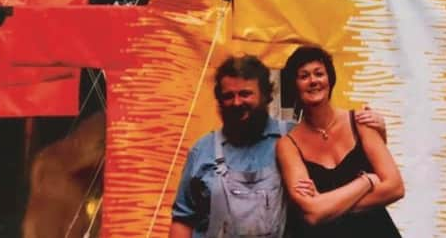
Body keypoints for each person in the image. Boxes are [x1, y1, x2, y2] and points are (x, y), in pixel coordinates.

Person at [169, 54, 387, 238]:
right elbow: (183, 220)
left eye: (245, 93)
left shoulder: (295, 139)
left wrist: (378, 131)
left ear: (266, 96)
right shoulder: (202, 151)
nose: (236, 102)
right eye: (228, 96)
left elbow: (344, 175)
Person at [276, 46, 404, 237]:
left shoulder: (361, 122)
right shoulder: (288, 145)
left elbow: (395, 187)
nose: (313, 81)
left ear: (330, 80)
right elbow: (312, 213)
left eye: (319, 73)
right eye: (304, 76)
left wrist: (328, 206)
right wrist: (366, 181)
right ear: (294, 86)